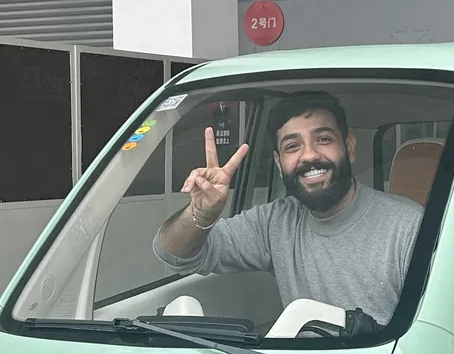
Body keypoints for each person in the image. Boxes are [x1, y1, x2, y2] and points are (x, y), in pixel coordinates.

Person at [154, 91, 424, 328]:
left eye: (323, 139)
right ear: (279, 162)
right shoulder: (275, 222)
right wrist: (200, 214)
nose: (308, 156)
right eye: (292, 146)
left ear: (349, 148)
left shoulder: (408, 227)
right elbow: (174, 255)